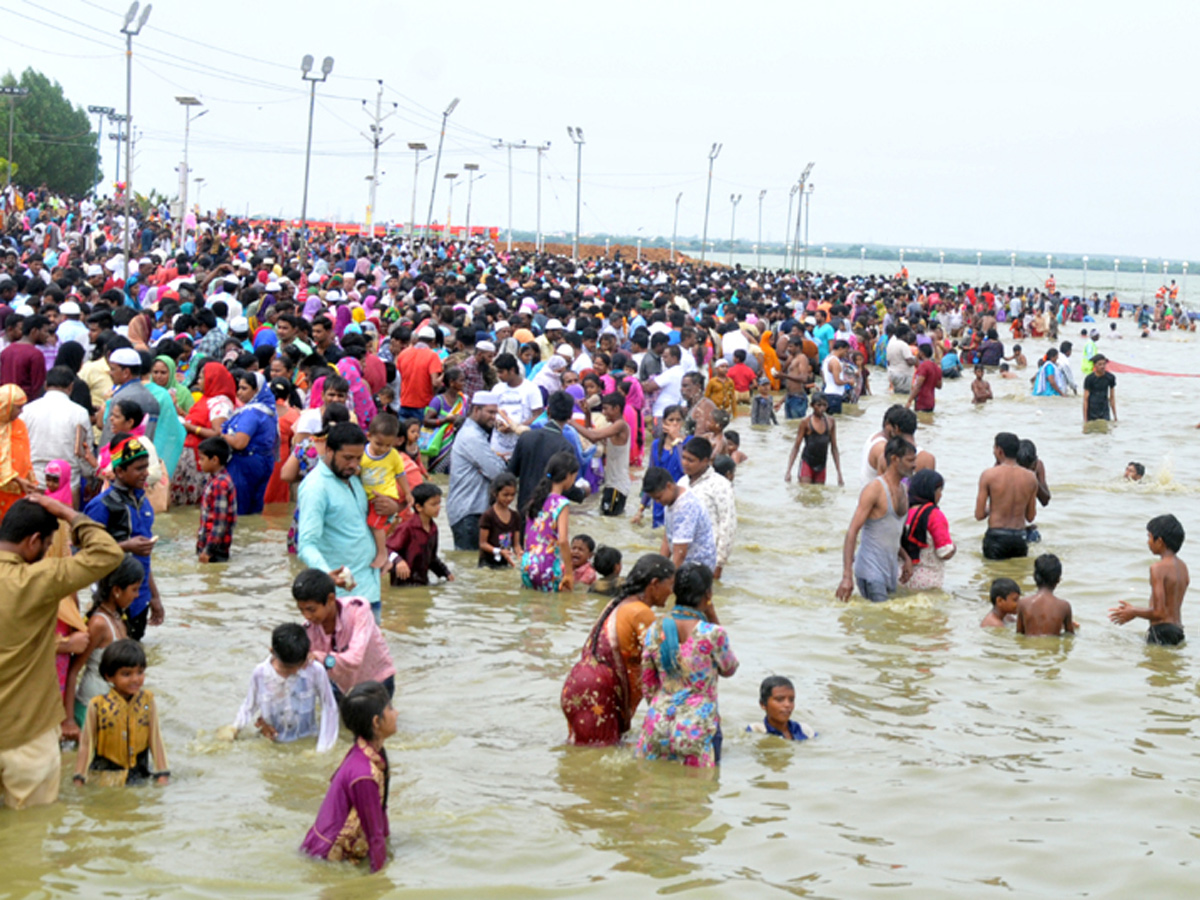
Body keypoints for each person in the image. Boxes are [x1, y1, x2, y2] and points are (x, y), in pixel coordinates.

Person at [0, 494, 123, 807]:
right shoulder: (37, 579)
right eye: (48, 545)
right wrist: (67, 512)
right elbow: (107, 553)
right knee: (29, 836)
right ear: (34, 541)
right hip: (26, 735)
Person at [560, 554, 676, 745]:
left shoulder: (618, 603)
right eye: (670, 585)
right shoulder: (641, 612)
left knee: (581, 755)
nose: (671, 592)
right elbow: (663, 662)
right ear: (654, 584)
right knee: (599, 764)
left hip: (579, 685)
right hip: (598, 693)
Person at [636, 562, 737, 767]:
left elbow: (647, 682)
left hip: (658, 723)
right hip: (696, 729)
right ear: (708, 593)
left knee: (651, 791)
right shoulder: (713, 633)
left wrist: (663, 707)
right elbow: (729, 668)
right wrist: (713, 615)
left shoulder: (655, 629)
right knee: (696, 794)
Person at [298, 421, 392, 619]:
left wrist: (393, 509)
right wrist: (326, 574)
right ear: (329, 451)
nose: (353, 464)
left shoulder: (355, 479)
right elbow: (306, 544)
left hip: (370, 589)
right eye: (347, 458)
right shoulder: (316, 488)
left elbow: (372, 522)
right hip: (341, 600)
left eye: (358, 458)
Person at [301, 681, 394, 874]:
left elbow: (380, 816)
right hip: (328, 858)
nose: (397, 714)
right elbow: (374, 835)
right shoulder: (364, 775)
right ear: (377, 722)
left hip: (322, 844)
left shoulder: (366, 751)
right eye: (390, 709)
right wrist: (381, 881)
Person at [83, 435, 164, 640]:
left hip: (140, 598)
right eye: (139, 469)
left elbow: (144, 558)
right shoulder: (102, 506)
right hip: (111, 598)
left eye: (146, 467)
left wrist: (154, 596)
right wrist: (126, 546)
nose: (146, 473)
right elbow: (86, 555)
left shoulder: (144, 503)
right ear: (119, 471)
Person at [73, 639, 169, 787]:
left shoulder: (147, 701)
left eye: (140, 672)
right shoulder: (97, 705)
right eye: (126, 674)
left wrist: (162, 774)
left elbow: (155, 738)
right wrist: (79, 777)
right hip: (105, 777)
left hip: (139, 774)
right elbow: (86, 744)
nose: (135, 679)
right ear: (109, 676)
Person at [232, 623, 338, 752]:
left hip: (307, 738)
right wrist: (235, 728)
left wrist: (323, 749)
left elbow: (329, 708)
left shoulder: (315, 671)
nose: (294, 672)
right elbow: (250, 705)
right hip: (274, 740)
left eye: (298, 666)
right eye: (286, 668)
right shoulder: (261, 673)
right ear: (272, 652)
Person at [292, 568, 396, 700]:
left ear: (330, 599)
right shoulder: (307, 630)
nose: (307, 616)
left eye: (311, 610)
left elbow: (355, 659)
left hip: (377, 681)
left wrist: (320, 658)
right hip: (342, 686)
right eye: (301, 610)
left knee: (377, 721)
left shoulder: (358, 609)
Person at [836, 436, 915, 603]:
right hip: (870, 570)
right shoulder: (874, 490)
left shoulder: (903, 489)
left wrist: (906, 558)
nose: (914, 465)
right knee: (879, 621)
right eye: (909, 460)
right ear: (895, 459)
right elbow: (852, 532)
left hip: (890, 570)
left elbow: (890, 532)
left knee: (887, 624)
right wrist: (846, 576)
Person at [69, 554, 141, 725]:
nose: (137, 595)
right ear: (117, 590)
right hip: (91, 707)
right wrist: (69, 720)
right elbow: (73, 671)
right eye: (134, 589)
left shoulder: (118, 617)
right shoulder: (99, 623)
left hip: (111, 708)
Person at [1110, 514, 1189, 646]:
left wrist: (1133, 611)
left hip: (1161, 631)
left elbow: (1159, 612)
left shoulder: (1157, 568)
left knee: (1154, 665)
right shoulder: (1183, 567)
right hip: (1178, 632)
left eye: (1149, 537)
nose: (1148, 542)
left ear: (1160, 541)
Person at [448, 390, 507, 551]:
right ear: (476, 410)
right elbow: (497, 473)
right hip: (469, 513)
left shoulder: (478, 434)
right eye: (490, 412)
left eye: (496, 412)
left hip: (473, 511)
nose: (494, 417)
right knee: (471, 565)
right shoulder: (471, 436)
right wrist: (498, 462)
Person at [174, 362, 236, 507]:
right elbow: (199, 419)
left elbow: (217, 432)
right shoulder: (206, 398)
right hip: (190, 454)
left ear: (212, 379)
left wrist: (191, 428)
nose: (198, 382)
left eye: (202, 378)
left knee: (198, 502)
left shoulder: (220, 403)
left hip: (201, 458)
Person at [678, 437, 737, 579]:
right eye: (683, 458)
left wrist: (719, 564)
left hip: (707, 559)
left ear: (705, 461)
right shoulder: (682, 482)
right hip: (683, 556)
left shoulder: (720, 485)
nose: (685, 463)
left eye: (690, 460)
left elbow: (727, 525)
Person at [975, 432, 1039, 560]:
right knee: (1018, 577)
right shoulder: (1031, 478)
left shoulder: (988, 475)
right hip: (1019, 538)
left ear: (999, 451)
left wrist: (992, 509)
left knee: (993, 576)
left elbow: (979, 515)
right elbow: (1030, 517)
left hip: (996, 537)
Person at [22, 367, 92, 485]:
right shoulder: (80, 413)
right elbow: (85, 450)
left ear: (45, 386)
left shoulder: (27, 410)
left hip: (34, 479)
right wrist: (89, 475)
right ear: (70, 387)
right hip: (67, 481)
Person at [521, 450, 578, 592]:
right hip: (547, 565)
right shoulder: (561, 503)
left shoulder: (535, 500)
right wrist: (570, 573)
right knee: (552, 611)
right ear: (567, 476)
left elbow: (527, 536)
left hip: (527, 563)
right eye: (574, 476)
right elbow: (563, 540)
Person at [222, 372, 278, 516]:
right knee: (255, 510)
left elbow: (240, 443)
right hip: (264, 461)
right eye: (239, 388)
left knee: (238, 510)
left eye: (244, 388)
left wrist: (223, 436)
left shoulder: (251, 413)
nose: (239, 393)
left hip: (244, 463)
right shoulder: (269, 410)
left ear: (256, 390)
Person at [642, 465, 718, 571]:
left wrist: (669, 580)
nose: (657, 502)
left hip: (698, 568)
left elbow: (680, 552)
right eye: (654, 499)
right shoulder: (670, 500)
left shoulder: (685, 506)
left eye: (658, 497)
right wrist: (658, 569)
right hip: (685, 559)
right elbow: (667, 538)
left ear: (669, 486)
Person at [361, 414, 411, 570]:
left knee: (375, 526)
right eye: (379, 444)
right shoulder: (362, 454)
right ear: (368, 436)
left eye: (388, 445)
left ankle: (383, 554)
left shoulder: (394, 456)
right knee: (371, 527)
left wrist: (408, 494)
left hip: (386, 497)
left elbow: (400, 475)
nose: (383, 449)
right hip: (369, 497)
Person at [574, 391, 632, 517]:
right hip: (612, 484)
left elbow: (593, 436)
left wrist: (570, 421)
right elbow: (591, 434)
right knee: (608, 519)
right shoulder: (613, 428)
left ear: (616, 408)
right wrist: (587, 414)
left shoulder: (620, 425)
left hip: (617, 485)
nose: (603, 412)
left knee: (609, 518)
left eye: (606, 409)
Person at [386, 483, 453, 587]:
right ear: (419, 507)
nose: (438, 508)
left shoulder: (433, 528)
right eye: (433, 505)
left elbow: (431, 558)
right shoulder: (406, 528)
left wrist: (446, 573)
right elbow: (387, 549)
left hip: (422, 582)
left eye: (439, 504)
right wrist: (398, 561)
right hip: (402, 585)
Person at [632, 405, 688, 528]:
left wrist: (677, 441)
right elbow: (651, 474)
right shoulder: (656, 445)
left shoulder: (687, 443)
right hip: (659, 501)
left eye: (678, 420)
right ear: (664, 422)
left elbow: (684, 469)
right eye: (671, 420)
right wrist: (640, 509)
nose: (675, 424)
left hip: (679, 500)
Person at [900, 469, 955, 591]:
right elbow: (944, 552)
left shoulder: (903, 511)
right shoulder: (935, 515)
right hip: (928, 582)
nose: (941, 495)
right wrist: (954, 548)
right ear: (931, 492)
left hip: (901, 577)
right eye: (939, 491)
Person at [491, 352, 544, 458]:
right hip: (498, 447)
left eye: (501, 372)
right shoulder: (497, 388)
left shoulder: (531, 389)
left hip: (520, 447)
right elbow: (491, 411)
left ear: (512, 370)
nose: (499, 376)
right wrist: (497, 424)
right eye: (497, 372)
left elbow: (538, 415)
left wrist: (517, 427)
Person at [784, 393, 843, 486]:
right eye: (818, 405)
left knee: (818, 495)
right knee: (806, 493)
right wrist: (788, 470)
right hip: (807, 463)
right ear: (812, 406)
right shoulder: (806, 423)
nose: (822, 408)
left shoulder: (831, 422)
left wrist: (839, 474)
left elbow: (834, 448)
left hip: (822, 465)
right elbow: (796, 447)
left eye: (824, 405)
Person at [196, 437, 236, 563]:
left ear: (214, 460)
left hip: (215, 549)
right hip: (211, 544)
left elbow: (220, 522)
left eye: (202, 459)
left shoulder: (219, 484)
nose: (199, 462)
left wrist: (209, 550)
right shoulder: (215, 479)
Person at [1016, 554, 1076, 636]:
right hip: (1052, 648)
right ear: (1058, 580)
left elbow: (1019, 634)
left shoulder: (1023, 603)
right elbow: (1070, 635)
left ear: (1034, 577)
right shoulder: (1064, 606)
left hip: (1030, 648)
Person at [0, 384, 33, 522]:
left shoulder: (19, 425)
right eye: (18, 407)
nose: (21, 411)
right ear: (6, 406)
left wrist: (31, 480)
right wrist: (17, 479)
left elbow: (25, 456)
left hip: (18, 491)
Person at [746, 675, 814, 741]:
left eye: (791, 700)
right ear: (763, 704)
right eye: (779, 699)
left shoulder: (805, 730)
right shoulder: (756, 731)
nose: (787, 705)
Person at [478, 472, 523, 569]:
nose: (509, 498)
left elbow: (516, 544)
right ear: (495, 493)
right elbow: (483, 544)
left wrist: (520, 553)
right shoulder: (488, 516)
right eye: (505, 495)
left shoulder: (515, 516)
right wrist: (499, 551)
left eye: (512, 495)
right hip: (488, 564)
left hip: (505, 563)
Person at [1082, 354, 1117, 429]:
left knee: (1105, 431)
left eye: (1104, 364)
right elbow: (1085, 399)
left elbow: (1112, 398)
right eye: (1100, 364)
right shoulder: (1089, 379)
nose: (1102, 366)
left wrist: (1115, 417)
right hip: (1092, 410)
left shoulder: (1110, 378)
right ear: (1095, 365)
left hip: (1104, 409)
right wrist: (1085, 420)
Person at [906, 344, 943, 413]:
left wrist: (909, 401)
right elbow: (939, 386)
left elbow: (918, 386)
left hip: (922, 401)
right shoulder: (936, 367)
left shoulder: (923, 366)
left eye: (918, 352)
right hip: (931, 402)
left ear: (922, 353)